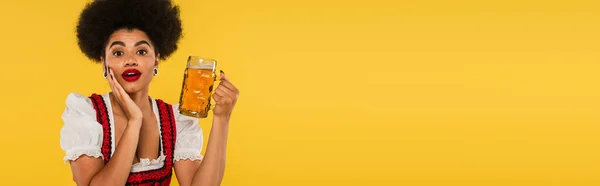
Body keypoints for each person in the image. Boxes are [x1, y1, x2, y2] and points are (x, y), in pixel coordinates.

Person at [59, 0, 239, 185]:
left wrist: (222, 118)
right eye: (118, 53)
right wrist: (134, 122)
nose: (130, 60)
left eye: (142, 51)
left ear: (156, 61)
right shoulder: (86, 115)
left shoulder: (175, 119)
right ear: (104, 63)